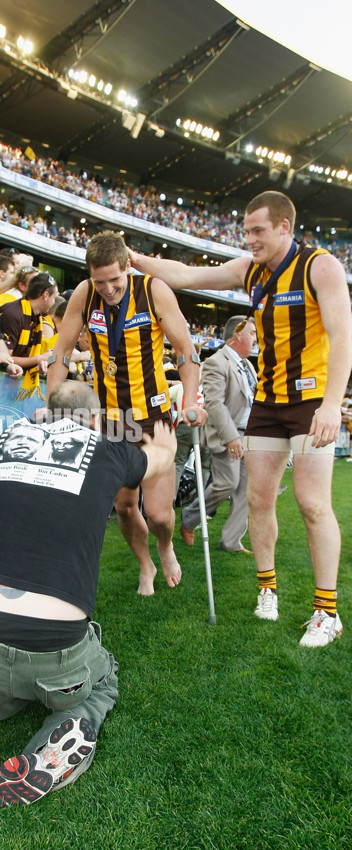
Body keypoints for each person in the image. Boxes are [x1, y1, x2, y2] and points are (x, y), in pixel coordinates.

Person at [0, 381, 177, 816]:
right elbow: (158, 462)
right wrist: (167, 445)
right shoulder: (107, 448)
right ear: (97, 421)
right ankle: (57, 745)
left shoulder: (8, 439)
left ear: (45, 412)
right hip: (51, 648)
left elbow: (43, 426)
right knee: (101, 681)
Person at [128, 190, 352, 647]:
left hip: (310, 402)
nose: (248, 239)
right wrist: (133, 258)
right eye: (246, 231)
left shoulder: (320, 266)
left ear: (285, 227)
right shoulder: (250, 270)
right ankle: (267, 590)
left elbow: (343, 335)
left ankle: (327, 612)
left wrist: (332, 404)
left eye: (258, 231)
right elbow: (188, 274)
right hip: (268, 404)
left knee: (312, 503)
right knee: (259, 500)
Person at [47, 230, 206, 596]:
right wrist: (51, 406)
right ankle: (144, 565)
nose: (108, 289)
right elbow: (61, 353)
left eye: (115, 280)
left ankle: (164, 546)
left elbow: (185, 350)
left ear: (128, 267)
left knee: (160, 515)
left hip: (154, 419)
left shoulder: (153, 291)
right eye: (99, 281)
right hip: (112, 421)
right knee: (124, 506)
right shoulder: (86, 295)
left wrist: (191, 401)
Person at [180, 315, 257, 554]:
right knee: (227, 483)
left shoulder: (248, 365)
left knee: (246, 489)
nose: (256, 339)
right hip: (227, 435)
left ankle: (231, 541)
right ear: (238, 336)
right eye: (253, 334)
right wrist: (232, 437)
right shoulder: (216, 362)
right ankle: (190, 518)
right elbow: (214, 404)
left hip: (248, 434)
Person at [0, 273, 58, 398]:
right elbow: (4, 357)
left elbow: (28, 355)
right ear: (45, 295)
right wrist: (39, 358)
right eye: (54, 297)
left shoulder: (37, 318)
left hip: (14, 386)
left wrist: (38, 364)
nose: (54, 302)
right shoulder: (13, 314)